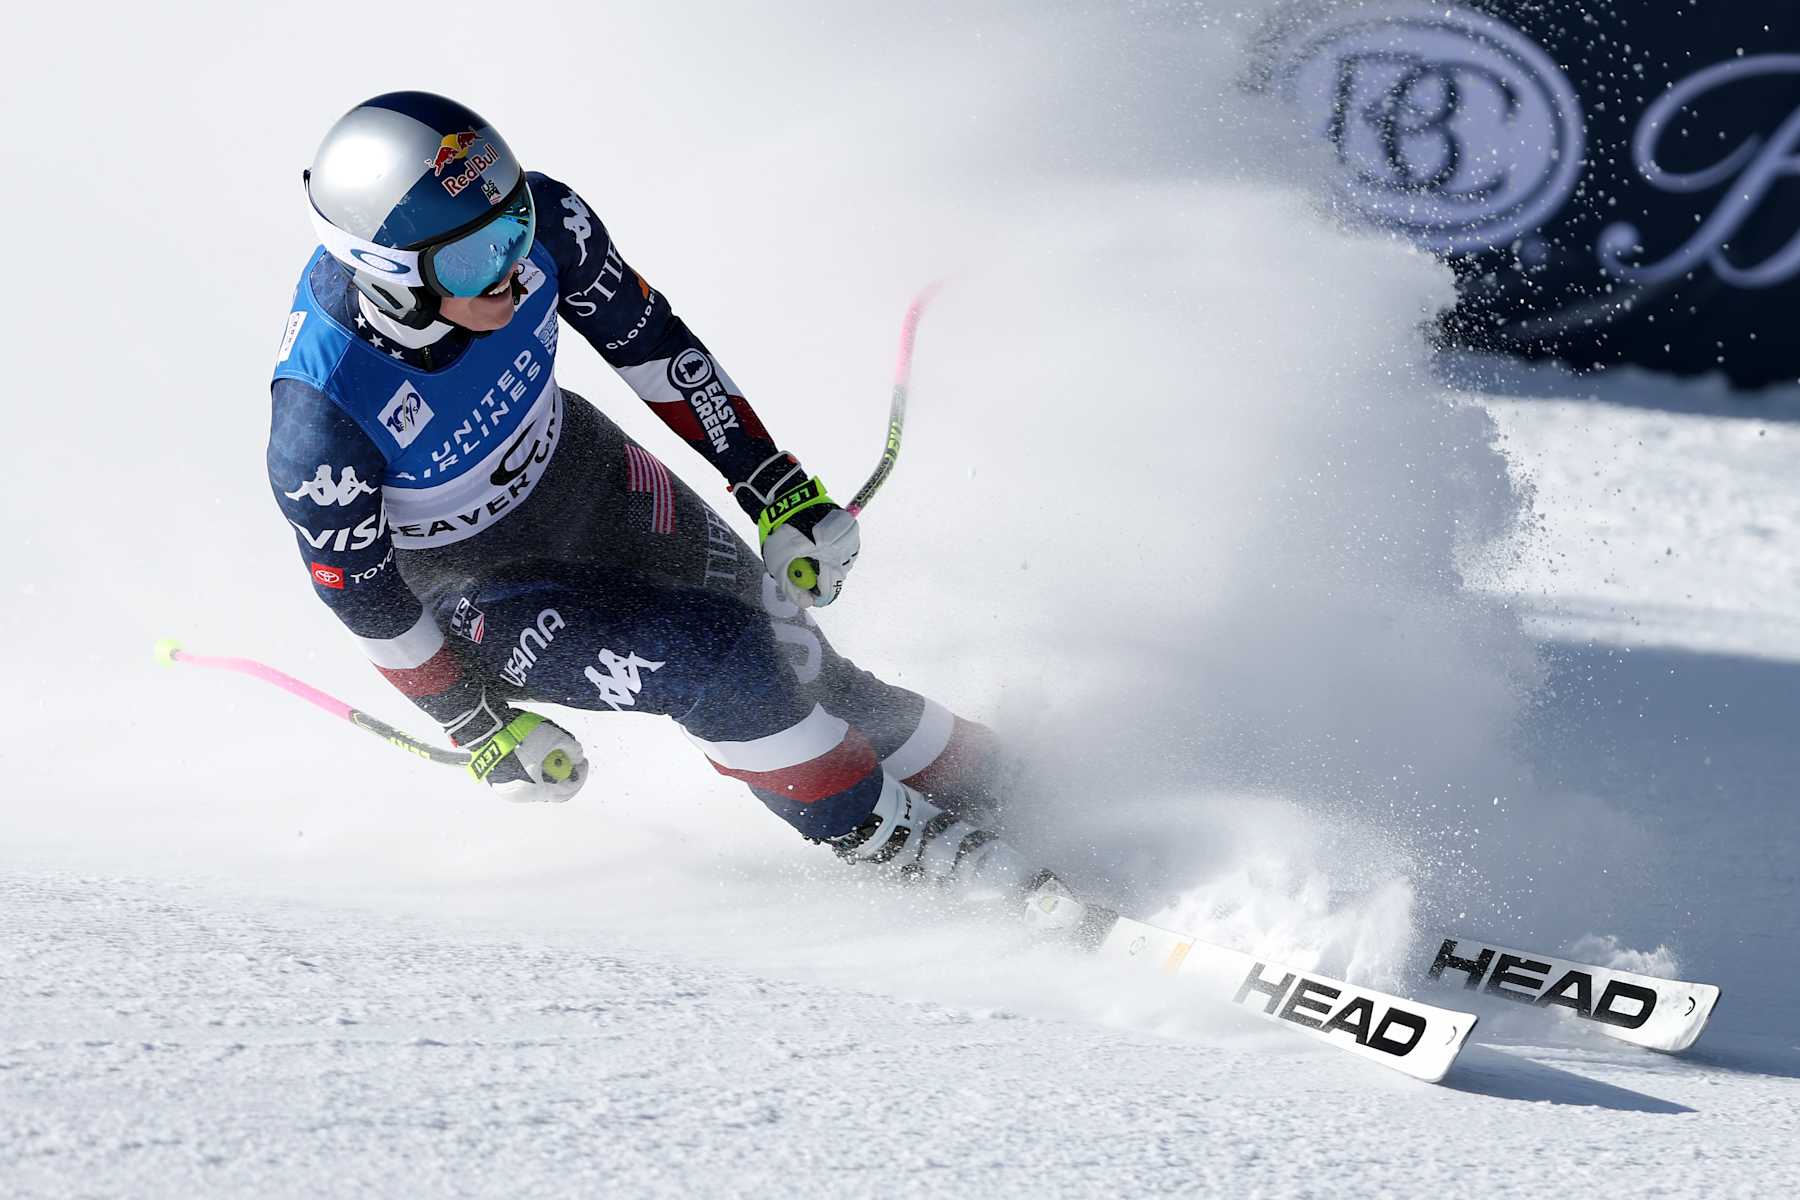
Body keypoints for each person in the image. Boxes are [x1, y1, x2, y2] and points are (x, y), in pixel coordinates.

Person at [269, 91, 1072, 912]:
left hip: (586, 475)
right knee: (726, 664)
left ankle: (1013, 784)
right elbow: (362, 594)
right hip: (473, 584)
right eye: (475, 259)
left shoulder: (549, 224)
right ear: (392, 277)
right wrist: (472, 721)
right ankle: (927, 854)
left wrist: (775, 487)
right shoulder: (322, 420)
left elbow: (649, 344)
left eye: (512, 225)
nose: (512, 264)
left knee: (802, 660)